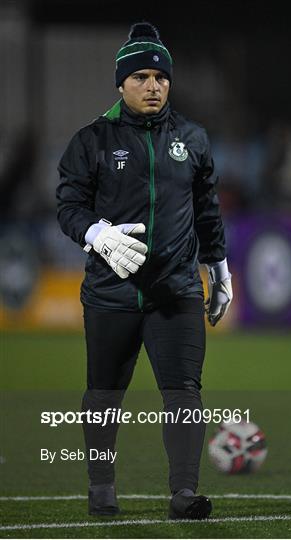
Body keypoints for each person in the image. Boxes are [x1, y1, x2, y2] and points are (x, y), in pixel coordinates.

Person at [56, 22, 232, 520]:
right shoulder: (91, 140)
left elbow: (207, 210)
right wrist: (96, 233)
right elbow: (68, 207)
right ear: (121, 83)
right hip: (111, 294)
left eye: (161, 77)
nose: (153, 85)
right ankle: (101, 485)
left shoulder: (192, 138)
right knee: (103, 395)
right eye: (141, 77)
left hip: (176, 292)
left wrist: (218, 269)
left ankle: (183, 493)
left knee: (184, 392)